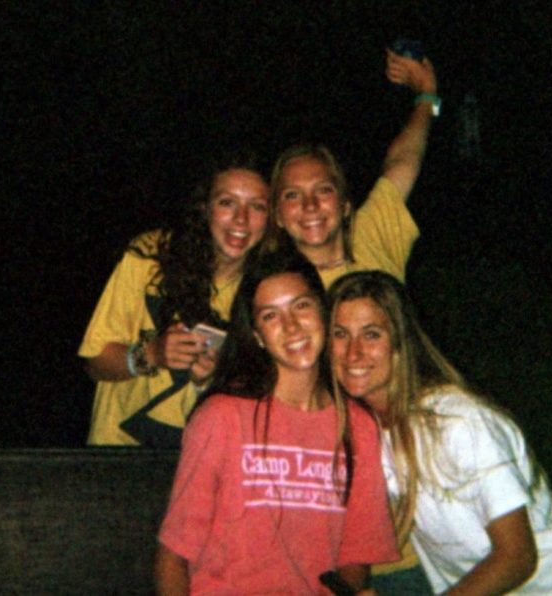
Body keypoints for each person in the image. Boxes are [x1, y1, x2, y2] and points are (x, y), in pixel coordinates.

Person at [328, 271, 552, 595]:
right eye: (340, 334)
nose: (353, 353)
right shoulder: (368, 434)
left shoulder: (458, 421)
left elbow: (517, 556)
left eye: (372, 334)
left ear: (400, 343)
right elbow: (357, 536)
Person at [155, 247, 398, 595]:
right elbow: (174, 554)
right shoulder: (222, 417)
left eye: (301, 306)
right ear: (256, 336)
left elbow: (356, 554)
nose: (291, 326)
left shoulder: (358, 426)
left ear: (323, 314)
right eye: (271, 316)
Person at [78, 154, 272, 447]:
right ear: (205, 208)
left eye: (256, 206)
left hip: (202, 460)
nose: (241, 219)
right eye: (227, 202)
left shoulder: (270, 289)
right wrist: (152, 354)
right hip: (118, 455)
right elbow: (94, 361)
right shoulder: (150, 256)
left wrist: (213, 381)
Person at [271, 47, 440, 289]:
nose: (310, 205)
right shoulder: (267, 285)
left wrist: (427, 95)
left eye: (323, 190)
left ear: (345, 204)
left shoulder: (370, 236)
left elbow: (403, 159)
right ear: (277, 215)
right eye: (292, 195)